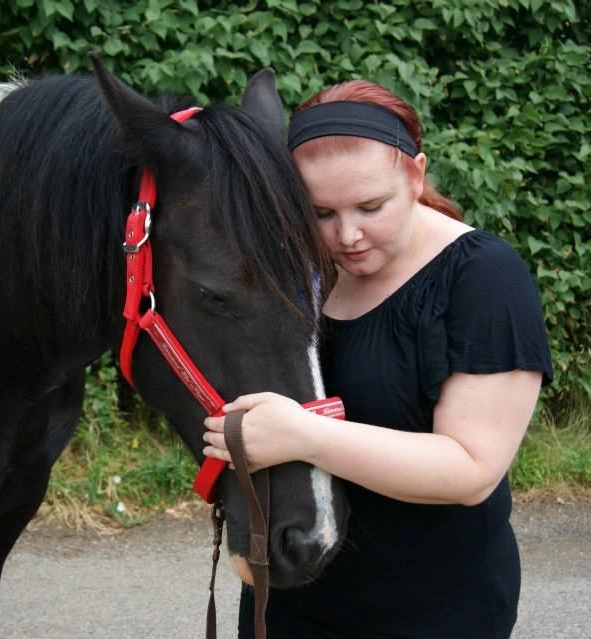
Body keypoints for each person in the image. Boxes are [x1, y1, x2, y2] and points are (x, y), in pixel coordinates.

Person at [201, 80, 554, 639]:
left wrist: (302, 436)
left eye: (371, 206)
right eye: (319, 211)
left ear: (415, 176)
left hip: (430, 610)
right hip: (290, 595)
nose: (347, 235)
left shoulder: (482, 279)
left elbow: (471, 470)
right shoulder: (297, 268)